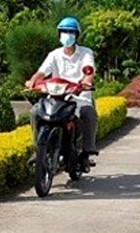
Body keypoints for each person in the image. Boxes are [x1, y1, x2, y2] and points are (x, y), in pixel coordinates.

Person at [25, 17, 98, 169]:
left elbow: (89, 70)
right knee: (35, 112)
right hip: (56, 96)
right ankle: (38, 149)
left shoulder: (85, 53)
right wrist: (33, 81)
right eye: (64, 31)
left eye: (71, 32)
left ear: (77, 35)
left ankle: (86, 151)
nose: (68, 35)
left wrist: (87, 81)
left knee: (88, 113)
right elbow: (42, 72)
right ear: (59, 34)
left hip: (78, 96)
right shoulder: (54, 55)